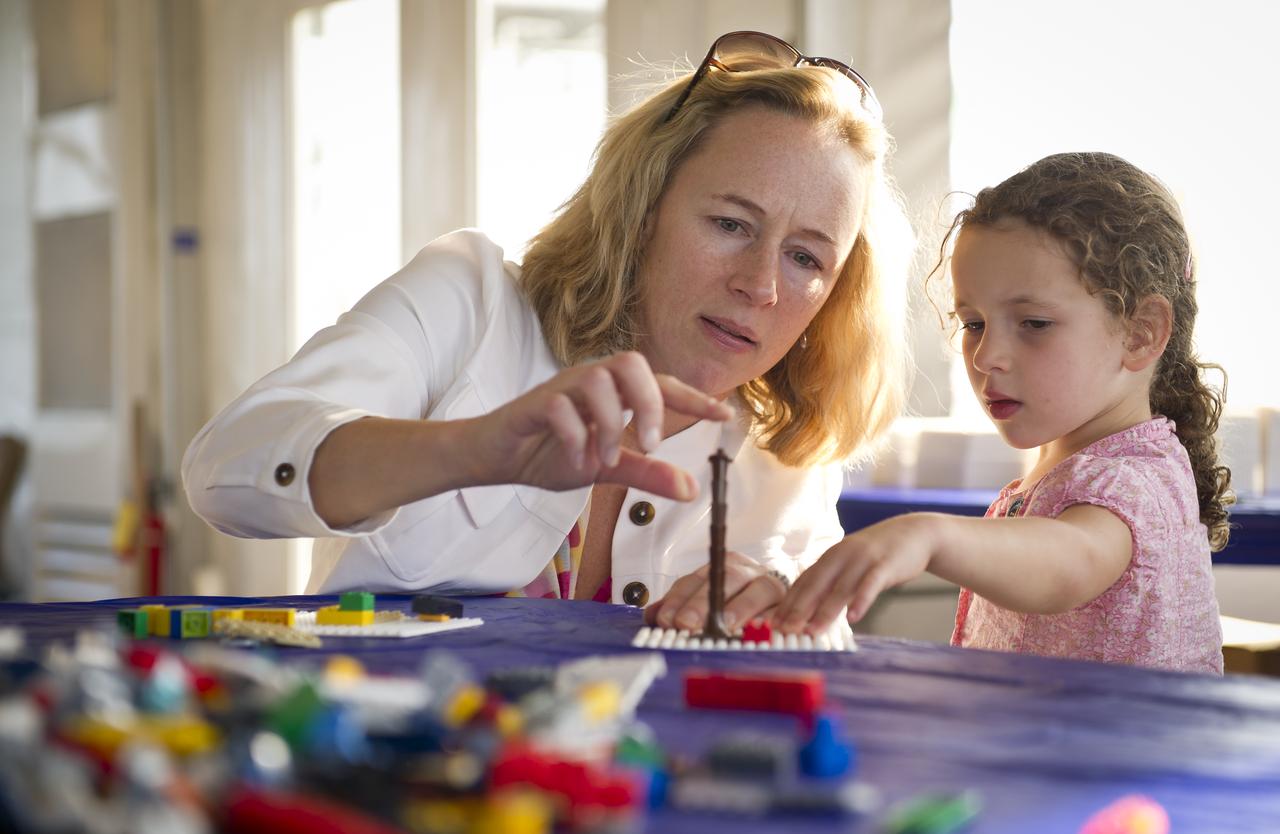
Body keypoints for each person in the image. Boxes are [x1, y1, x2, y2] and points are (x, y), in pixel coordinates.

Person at [182, 31, 911, 627]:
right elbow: (223, 475)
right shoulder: (470, 298)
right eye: (729, 223)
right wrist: (471, 450)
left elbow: (812, 671)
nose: (759, 284)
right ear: (641, 208)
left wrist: (776, 615)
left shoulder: (789, 443)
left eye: (806, 257)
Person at [775, 152, 1230, 674]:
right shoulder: (1068, 467)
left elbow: (1070, 560)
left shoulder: (1135, 479)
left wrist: (929, 535)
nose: (987, 355)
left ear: (1141, 332)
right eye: (973, 323)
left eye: (1033, 323)